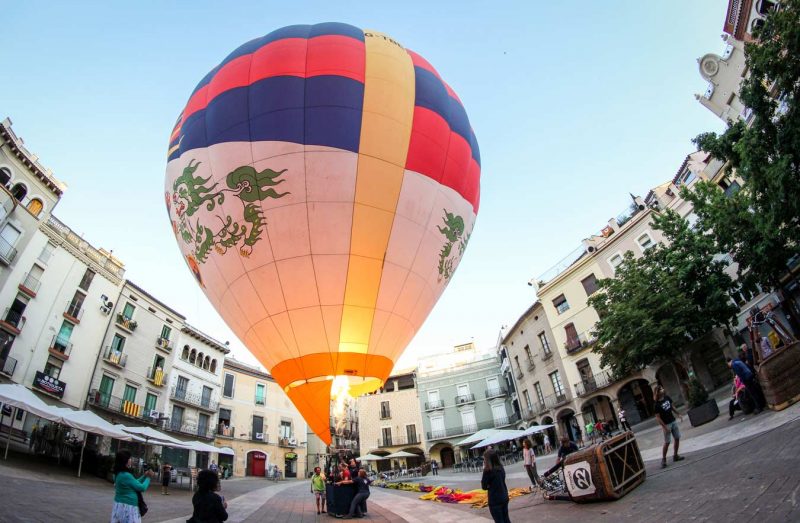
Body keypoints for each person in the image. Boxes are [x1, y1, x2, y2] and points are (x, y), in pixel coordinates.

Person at [111, 449, 154, 523]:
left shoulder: (118, 473)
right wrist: (148, 477)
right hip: (128, 507)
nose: (131, 460)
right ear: (125, 461)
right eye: (129, 458)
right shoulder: (126, 475)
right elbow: (142, 488)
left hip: (119, 505)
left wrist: (144, 476)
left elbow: (134, 483)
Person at [653, 384, 684, 468]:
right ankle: (663, 459)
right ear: (657, 392)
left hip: (673, 421)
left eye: (662, 388)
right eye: (661, 389)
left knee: (677, 438)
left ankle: (675, 456)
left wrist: (679, 414)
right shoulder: (656, 405)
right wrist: (665, 427)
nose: (663, 390)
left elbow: (672, 407)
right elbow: (658, 418)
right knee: (667, 442)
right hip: (666, 424)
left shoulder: (667, 398)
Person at [481, 449, 511, 523]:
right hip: (504, 496)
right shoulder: (501, 467)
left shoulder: (487, 471)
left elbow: (484, 486)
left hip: (494, 500)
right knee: (506, 519)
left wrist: (489, 485)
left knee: (499, 520)